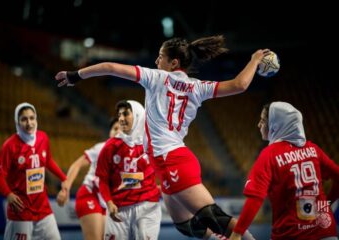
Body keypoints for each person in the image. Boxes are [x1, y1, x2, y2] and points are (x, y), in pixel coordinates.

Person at [55, 35, 268, 239]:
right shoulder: (198, 86)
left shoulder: (156, 77)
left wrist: (76, 75)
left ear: (173, 62)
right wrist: (254, 60)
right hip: (174, 159)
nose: (156, 61)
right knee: (186, 225)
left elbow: (110, 67)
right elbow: (240, 84)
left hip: (170, 160)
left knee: (212, 217)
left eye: (160, 57)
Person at [229, 102, 339, 240]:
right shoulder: (314, 150)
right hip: (326, 232)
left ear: (275, 126)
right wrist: (327, 203)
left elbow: (255, 198)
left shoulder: (269, 155)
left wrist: (237, 232)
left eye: (263, 121)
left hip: (290, 234)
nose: (259, 125)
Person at [0, 102, 67, 240]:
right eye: (24, 119)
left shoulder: (43, 137)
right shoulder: (10, 145)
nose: (29, 123)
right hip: (21, 211)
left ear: (36, 119)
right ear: (17, 121)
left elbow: (48, 161)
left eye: (32, 118)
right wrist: (8, 194)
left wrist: (64, 178)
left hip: (43, 209)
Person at [96, 100, 161, 240]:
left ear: (138, 115)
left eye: (125, 114)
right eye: (119, 115)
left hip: (148, 206)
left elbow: (165, 167)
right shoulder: (110, 147)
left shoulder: (152, 143)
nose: (121, 119)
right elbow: (102, 180)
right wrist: (108, 202)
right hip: (119, 210)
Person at [56, 117, 120, 240]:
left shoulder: (128, 154)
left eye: (120, 129)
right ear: (109, 133)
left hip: (107, 202)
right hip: (90, 195)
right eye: (114, 129)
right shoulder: (102, 148)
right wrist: (66, 189)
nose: (117, 132)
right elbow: (77, 165)